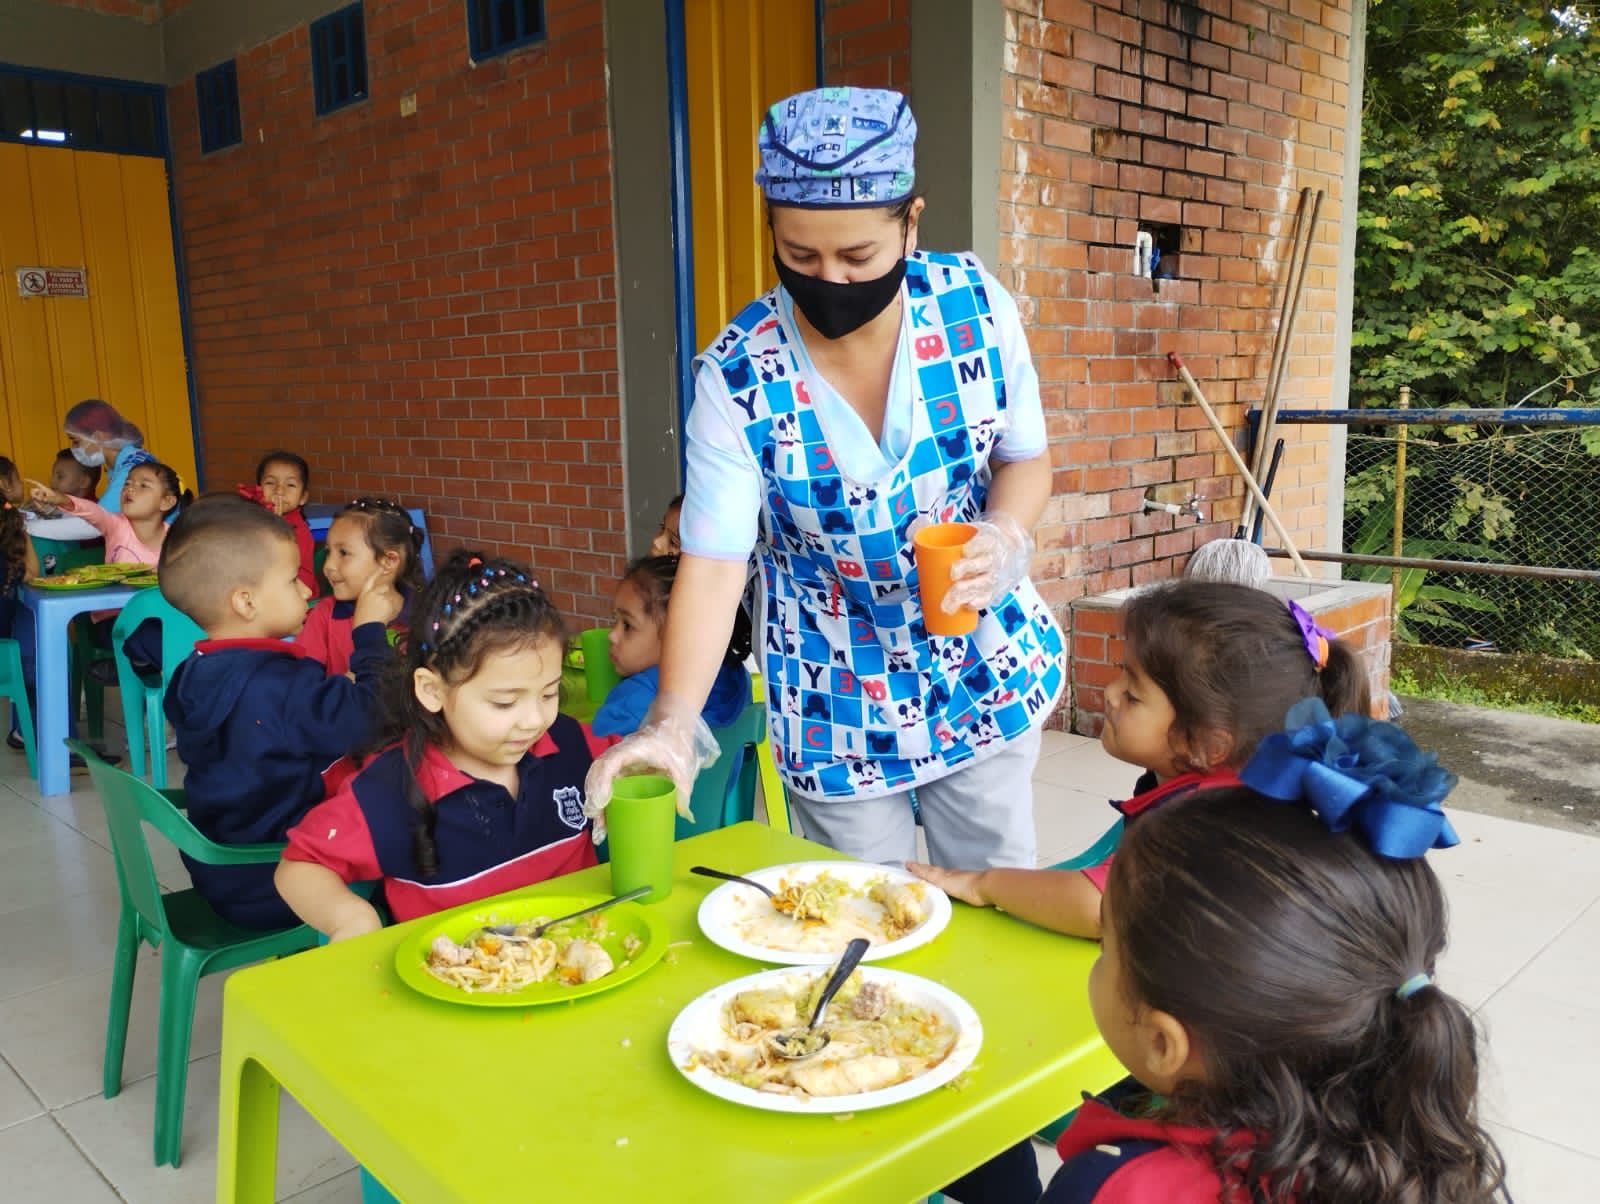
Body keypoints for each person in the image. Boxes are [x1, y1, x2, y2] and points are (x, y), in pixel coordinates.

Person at [586, 86, 1063, 878]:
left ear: (911, 222)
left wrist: (1008, 534)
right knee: (852, 923)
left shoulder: (978, 308)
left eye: (858, 257)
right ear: (771, 231)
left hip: (982, 666)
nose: (830, 281)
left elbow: (1025, 461)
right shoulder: (738, 376)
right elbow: (712, 563)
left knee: (997, 901)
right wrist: (669, 723)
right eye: (801, 257)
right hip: (833, 693)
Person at [1041, 702, 1504, 1202]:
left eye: (1106, 946)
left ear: (1162, 1042)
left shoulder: (1110, 1186)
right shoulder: (1423, 1162)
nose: (1101, 958)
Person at [910, 581, 1370, 939]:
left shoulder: (1210, 821)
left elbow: (1103, 905)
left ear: (1209, 745)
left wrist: (986, 884)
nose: (1110, 695)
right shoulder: (1225, 780)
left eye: (1132, 694)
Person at [275, 553, 616, 938]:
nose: (534, 720)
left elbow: (633, 763)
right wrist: (350, 918)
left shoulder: (569, 744)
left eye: (549, 693)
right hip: (457, 983)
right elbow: (299, 865)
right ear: (432, 690)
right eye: (504, 702)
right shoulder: (390, 790)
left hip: (580, 961)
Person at [160, 495, 395, 929]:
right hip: (278, 880)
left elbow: (269, 719)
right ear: (246, 602)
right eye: (292, 581)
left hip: (219, 870)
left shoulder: (193, 672)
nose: (308, 590)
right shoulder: (280, 686)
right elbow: (375, 716)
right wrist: (369, 634)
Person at [594, 555, 750, 741]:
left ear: (676, 635)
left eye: (627, 625)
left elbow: (595, 764)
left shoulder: (631, 701)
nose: (611, 635)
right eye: (615, 620)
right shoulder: (737, 678)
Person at [296, 497, 421, 676]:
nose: (328, 566)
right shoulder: (325, 614)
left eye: (344, 553)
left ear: (389, 561)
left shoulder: (422, 615)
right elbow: (303, 683)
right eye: (328, 552)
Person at [60, 399, 156, 516]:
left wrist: (36, 527)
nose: (74, 448)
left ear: (99, 436)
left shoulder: (131, 470)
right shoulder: (125, 462)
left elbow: (98, 520)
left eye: (76, 441)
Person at [240, 451, 316, 593]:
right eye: (270, 483)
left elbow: (301, 579)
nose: (279, 491)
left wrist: (276, 525)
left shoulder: (299, 530)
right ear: (258, 489)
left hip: (296, 592)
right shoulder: (251, 517)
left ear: (303, 497)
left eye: (290, 485)